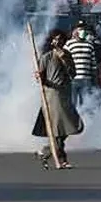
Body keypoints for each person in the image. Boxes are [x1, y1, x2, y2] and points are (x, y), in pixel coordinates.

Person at [32, 28, 83, 170]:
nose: (58, 41)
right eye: (56, 39)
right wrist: (39, 77)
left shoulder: (67, 54)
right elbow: (41, 78)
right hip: (52, 96)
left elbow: (73, 73)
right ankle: (62, 158)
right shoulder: (46, 57)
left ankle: (45, 151)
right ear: (52, 40)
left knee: (69, 126)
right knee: (58, 129)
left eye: (61, 39)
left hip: (65, 93)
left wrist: (65, 59)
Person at [64, 22, 98, 108]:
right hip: (73, 79)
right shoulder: (69, 44)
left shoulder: (89, 45)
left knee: (86, 104)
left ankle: (85, 120)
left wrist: (95, 79)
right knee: (73, 104)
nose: (82, 31)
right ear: (75, 31)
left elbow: (93, 64)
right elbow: (64, 60)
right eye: (80, 29)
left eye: (84, 29)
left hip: (87, 80)